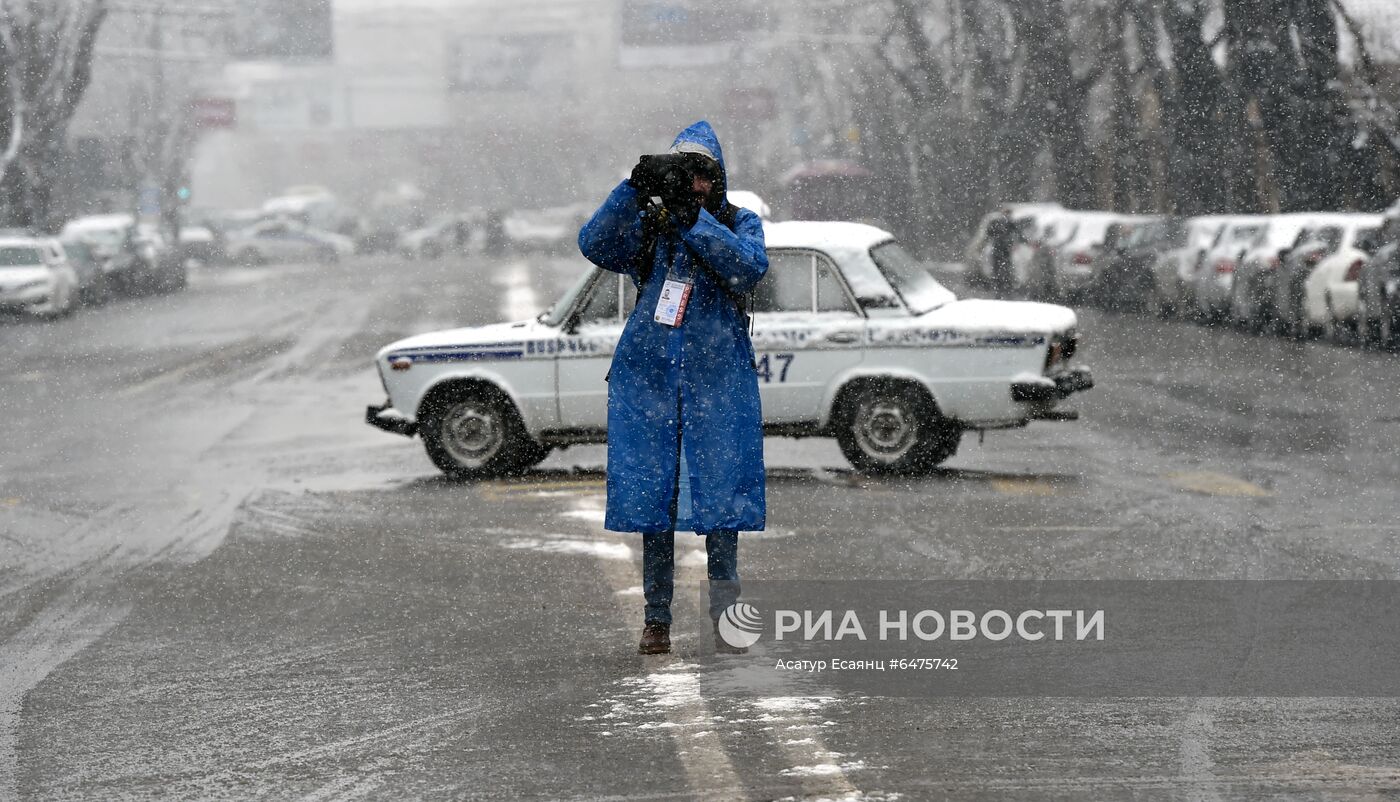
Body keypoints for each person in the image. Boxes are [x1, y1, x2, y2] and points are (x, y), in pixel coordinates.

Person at [578, 121, 768, 656]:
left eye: (704, 175)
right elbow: (594, 244)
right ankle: (656, 620)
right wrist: (632, 189)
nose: (695, 185)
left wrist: (697, 222)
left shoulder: (738, 222)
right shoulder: (650, 225)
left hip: (719, 378)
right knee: (653, 500)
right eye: (685, 175)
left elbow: (747, 269)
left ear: (720, 178)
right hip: (651, 376)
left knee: (721, 499)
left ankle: (726, 620)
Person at [986, 206, 1015, 295]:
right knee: (1003, 268)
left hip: (1001, 249)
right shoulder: (1008, 223)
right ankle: (1003, 287)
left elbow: (989, 232)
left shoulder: (1000, 222)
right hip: (1003, 249)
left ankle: (999, 287)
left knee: (999, 268)